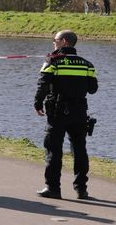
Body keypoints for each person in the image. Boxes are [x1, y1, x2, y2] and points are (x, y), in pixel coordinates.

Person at [34, 30, 98, 199]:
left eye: (55, 40)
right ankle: (81, 190)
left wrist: (37, 104)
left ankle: (53, 189)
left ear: (64, 41)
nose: (53, 43)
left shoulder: (53, 61)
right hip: (79, 112)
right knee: (79, 150)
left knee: (53, 149)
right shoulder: (87, 64)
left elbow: (43, 85)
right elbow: (93, 89)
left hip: (57, 111)